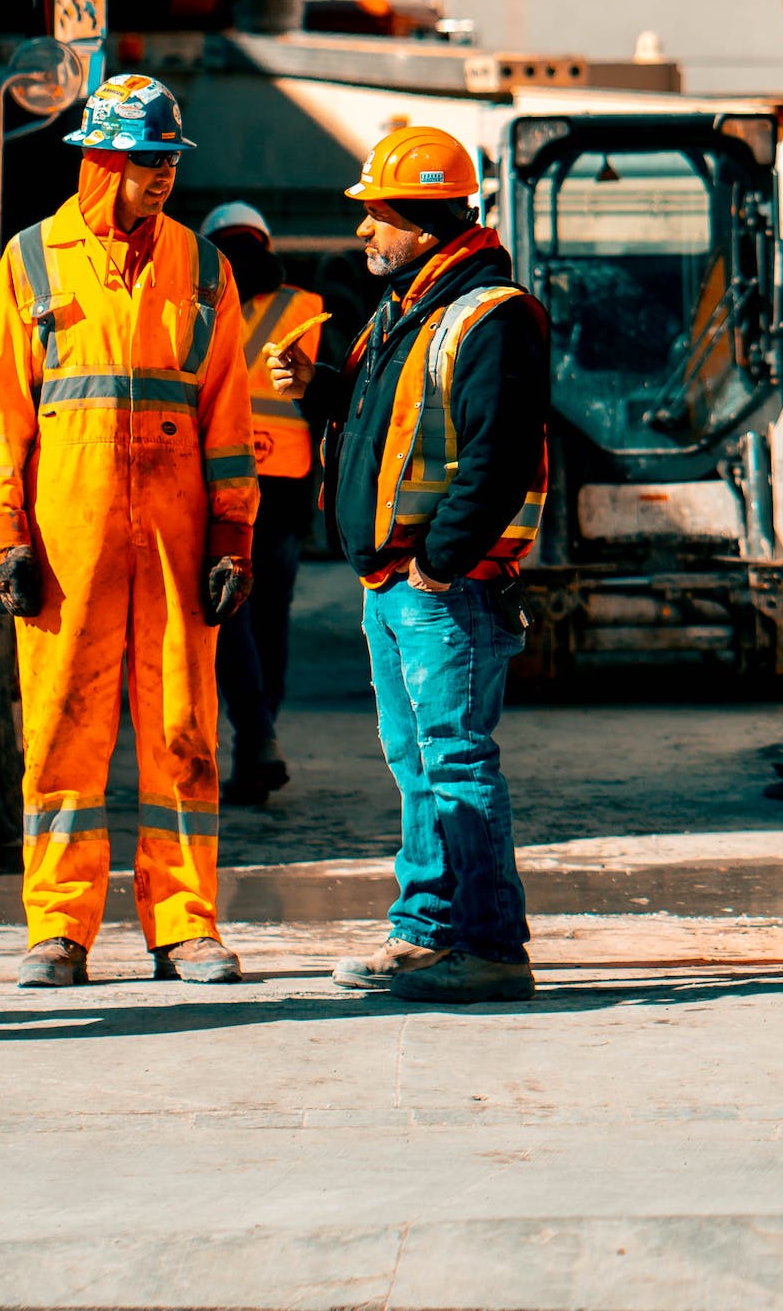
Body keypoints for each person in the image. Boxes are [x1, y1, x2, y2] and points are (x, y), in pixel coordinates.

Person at [0, 74, 258, 990]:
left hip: (175, 549)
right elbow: (0, 418)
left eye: (170, 162)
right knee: (61, 738)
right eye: (145, 162)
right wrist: (4, 535)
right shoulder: (31, 262)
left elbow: (226, 419)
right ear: (98, 162)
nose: (162, 178)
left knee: (183, 734)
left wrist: (233, 538)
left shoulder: (205, 269)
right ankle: (58, 931)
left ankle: (186, 927)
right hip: (68, 548)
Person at [266, 125, 548, 1004]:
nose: (364, 233)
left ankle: (492, 947)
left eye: (377, 216)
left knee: (456, 763)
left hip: (441, 589)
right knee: (419, 764)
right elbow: (398, 416)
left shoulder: (492, 313)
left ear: (424, 224)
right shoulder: (412, 306)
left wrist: (439, 563)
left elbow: (498, 458)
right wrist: (321, 390)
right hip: (396, 582)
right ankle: (425, 930)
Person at [199, 200, 323, 806]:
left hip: (219, 481)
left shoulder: (197, 298)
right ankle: (262, 737)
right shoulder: (308, 306)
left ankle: (256, 736)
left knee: (232, 615)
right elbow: (333, 396)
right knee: (272, 612)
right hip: (288, 482)